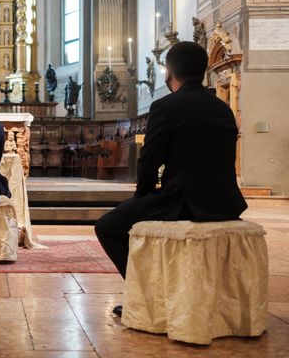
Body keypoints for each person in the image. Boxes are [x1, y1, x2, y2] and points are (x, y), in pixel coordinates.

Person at [94, 41, 247, 317]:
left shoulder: (166, 106)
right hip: (226, 202)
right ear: (203, 72)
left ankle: (151, 295)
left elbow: (150, 160)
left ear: (168, 73)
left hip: (185, 202)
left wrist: (142, 197)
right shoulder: (222, 108)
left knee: (108, 226)